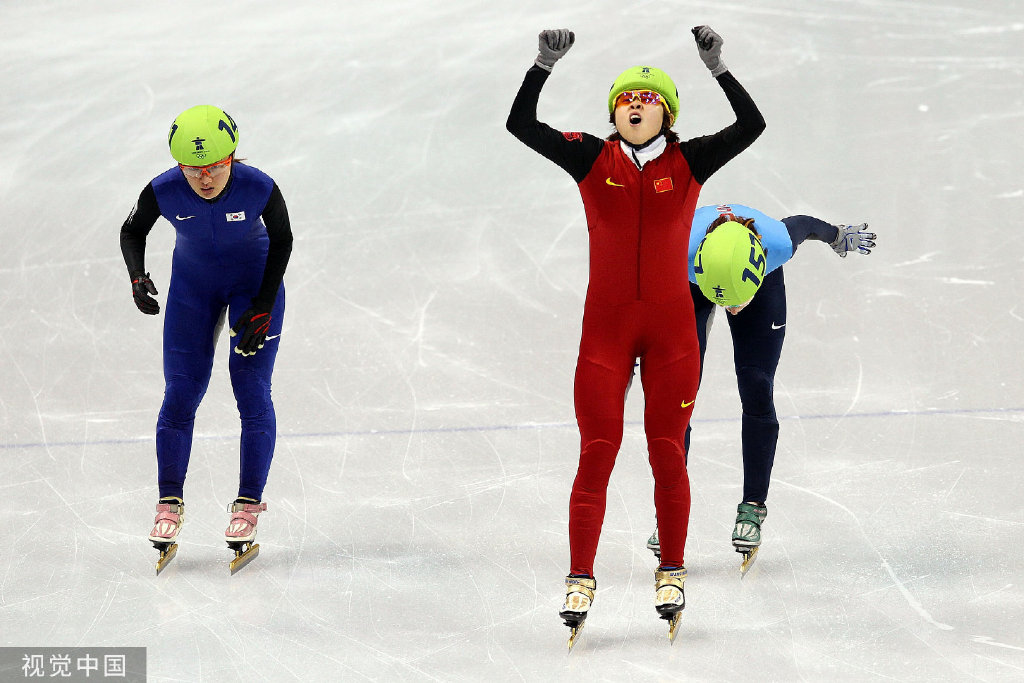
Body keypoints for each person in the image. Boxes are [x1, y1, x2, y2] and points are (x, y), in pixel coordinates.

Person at [506, 26, 764, 634]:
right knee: (596, 455)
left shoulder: (690, 159)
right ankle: (579, 578)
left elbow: (750, 126)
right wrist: (542, 64)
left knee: (667, 453)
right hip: (606, 334)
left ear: (667, 114)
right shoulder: (589, 157)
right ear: (613, 111)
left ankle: (671, 568)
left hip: (673, 334)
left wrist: (718, 67)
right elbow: (522, 124)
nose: (635, 104)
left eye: (648, 99)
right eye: (626, 97)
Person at [644, 204, 876, 570]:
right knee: (676, 397)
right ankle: (667, 509)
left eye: (738, 299)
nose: (732, 309)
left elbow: (807, 224)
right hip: (688, 282)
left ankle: (752, 506)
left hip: (752, 275)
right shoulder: (672, 246)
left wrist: (837, 235)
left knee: (756, 385)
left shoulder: (777, 243)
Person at [119, 105, 293, 571]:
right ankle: (168, 504)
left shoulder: (259, 186)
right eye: (193, 170)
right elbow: (132, 230)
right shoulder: (163, 189)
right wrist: (137, 276)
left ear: (232, 157)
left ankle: (247, 504)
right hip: (192, 290)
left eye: (215, 167)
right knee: (180, 394)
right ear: (180, 166)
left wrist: (262, 304)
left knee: (250, 389)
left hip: (254, 287)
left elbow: (282, 240)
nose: (205, 179)